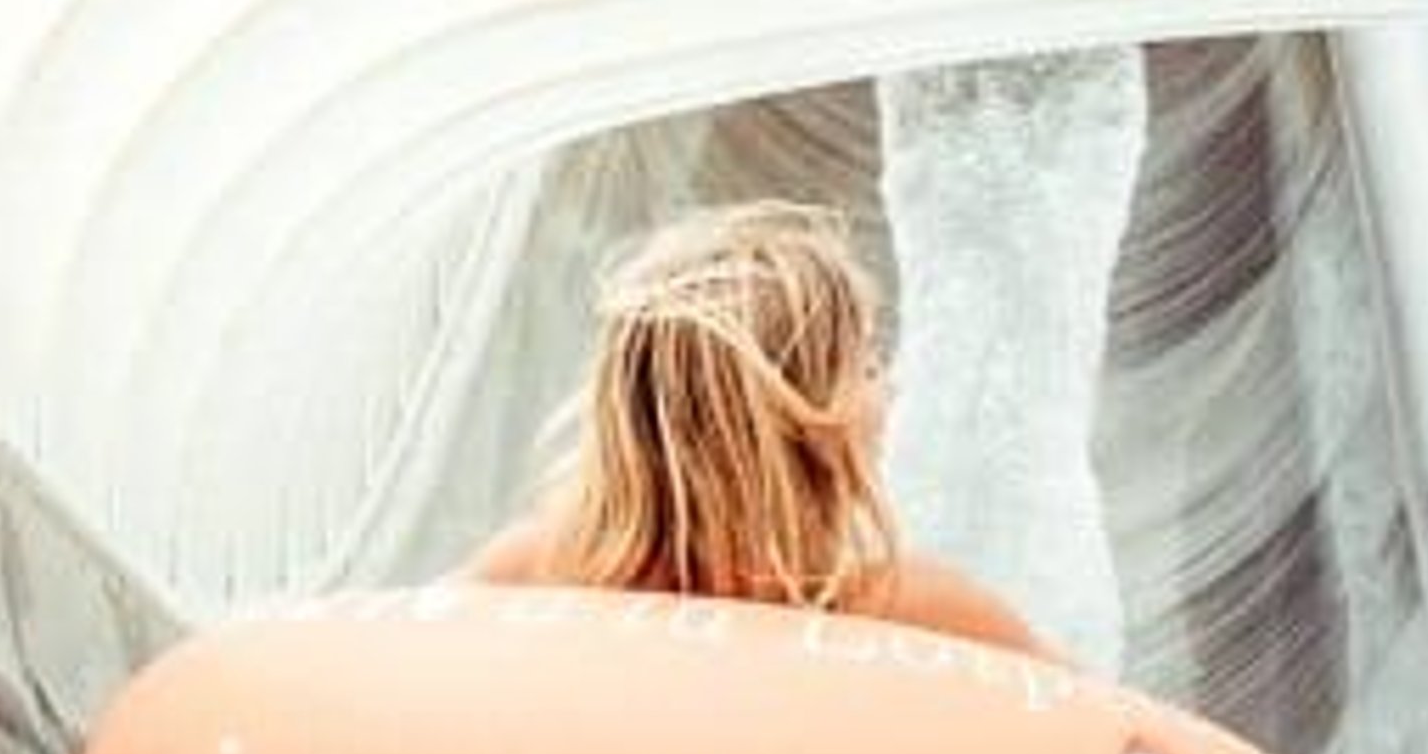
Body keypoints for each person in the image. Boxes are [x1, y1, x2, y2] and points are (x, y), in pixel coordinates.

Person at [454, 198, 1060, 658]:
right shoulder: (911, 615)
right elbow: (1117, 749)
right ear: (801, 416)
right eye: (867, 366)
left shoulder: (532, 578)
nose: (892, 392)